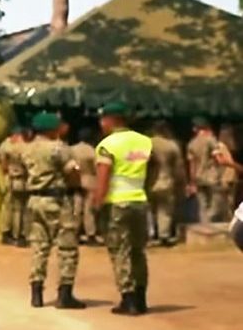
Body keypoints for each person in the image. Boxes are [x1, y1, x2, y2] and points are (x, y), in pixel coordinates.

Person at [93, 102, 153, 316]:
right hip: (139, 201)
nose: (101, 123)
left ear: (111, 120)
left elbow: (103, 178)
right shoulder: (145, 142)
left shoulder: (107, 145)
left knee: (120, 251)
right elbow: (152, 171)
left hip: (116, 203)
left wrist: (97, 204)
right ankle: (141, 297)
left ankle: (128, 299)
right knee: (138, 251)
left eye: (103, 119)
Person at [21, 111, 85, 310]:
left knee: (39, 246)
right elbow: (72, 172)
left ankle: (36, 292)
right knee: (67, 246)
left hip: (35, 200)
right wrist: (77, 185)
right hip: (57, 200)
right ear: (52, 129)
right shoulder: (58, 148)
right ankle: (65, 294)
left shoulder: (27, 149)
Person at [147, 121, 186, 246]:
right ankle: (163, 235)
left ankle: (151, 233)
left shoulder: (147, 143)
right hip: (166, 181)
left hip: (149, 181)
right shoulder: (172, 145)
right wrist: (181, 182)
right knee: (165, 210)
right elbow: (178, 167)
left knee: (150, 209)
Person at [0, 125, 29, 246]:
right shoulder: (24, 147)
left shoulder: (5, 146)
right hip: (23, 180)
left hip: (10, 179)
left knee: (10, 208)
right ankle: (19, 234)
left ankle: (9, 232)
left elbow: (2, 164)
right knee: (20, 209)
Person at [186, 116, 222, 222]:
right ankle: (211, 220)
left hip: (198, 177)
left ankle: (205, 225)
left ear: (195, 129)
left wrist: (192, 182)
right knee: (216, 203)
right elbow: (218, 158)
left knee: (202, 205)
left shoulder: (191, 144)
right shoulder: (211, 140)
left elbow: (191, 165)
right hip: (212, 176)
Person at [69, 126, 100, 246]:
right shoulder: (92, 150)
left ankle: (74, 232)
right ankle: (90, 233)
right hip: (90, 180)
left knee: (76, 208)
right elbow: (96, 168)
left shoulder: (72, 150)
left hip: (76, 180)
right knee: (89, 209)